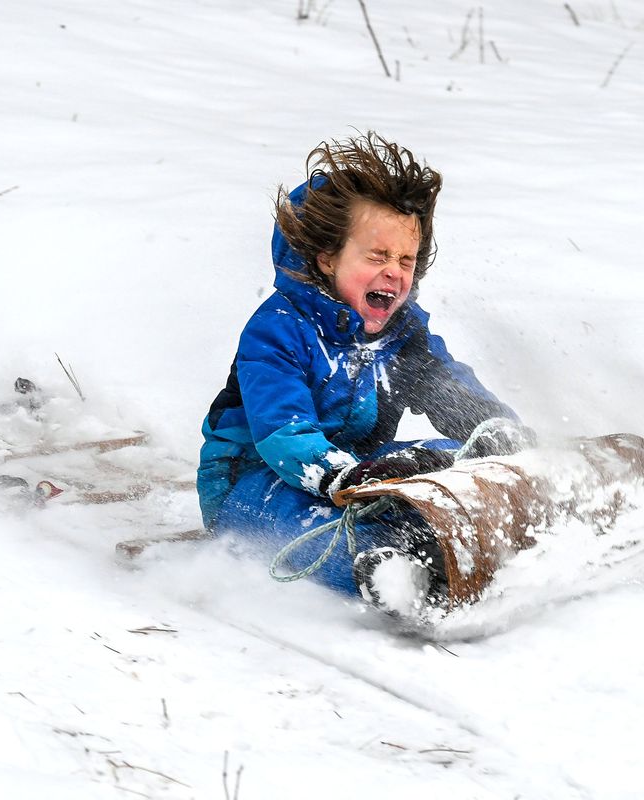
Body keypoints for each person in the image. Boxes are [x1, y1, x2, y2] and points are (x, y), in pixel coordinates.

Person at [197, 132, 534, 615]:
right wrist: (340, 474)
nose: (395, 273)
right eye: (377, 257)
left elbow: (446, 385)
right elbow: (281, 430)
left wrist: (500, 435)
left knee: (449, 457)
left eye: (405, 260)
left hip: (359, 471)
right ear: (327, 257)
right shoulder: (278, 331)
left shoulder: (401, 333)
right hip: (253, 484)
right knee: (311, 527)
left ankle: (493, 529)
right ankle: (394, 573)